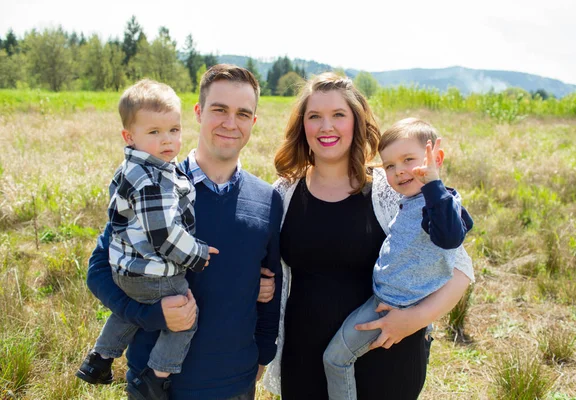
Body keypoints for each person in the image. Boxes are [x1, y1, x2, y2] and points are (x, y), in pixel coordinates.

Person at [261, 73, 475, 400]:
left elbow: (459, 268)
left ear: (356, 122)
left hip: (386, 359)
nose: (326, 126)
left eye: (338, 115)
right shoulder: (284, 192)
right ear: (302, 125)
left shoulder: (392, 188)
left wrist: (413, 320)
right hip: (304, 364)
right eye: (314, 116)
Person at [85, 64, 283, 400]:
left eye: (242, 113)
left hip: (234, 384)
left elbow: (271, 284)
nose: (230, 123)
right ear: (198, 112)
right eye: (219, 110)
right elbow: (99, 270)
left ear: (253, 122)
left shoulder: (267, 199)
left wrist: (261, 354)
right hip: (156, 387)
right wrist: (149, 314)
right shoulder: (153, 186)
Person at [76, 79, 219, 398]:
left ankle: (99, 359)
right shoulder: (154, 180)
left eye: (174, 130)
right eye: (154, 133)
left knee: (130, 308)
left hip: (127, 273)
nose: (167, 140)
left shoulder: (129, 169)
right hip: (155, 272)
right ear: (129, 137)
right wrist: (196, 255)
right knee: (184, 317)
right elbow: (164, 236)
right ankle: (156, 376)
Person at [322, 118, 474, 400]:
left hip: (394, 307)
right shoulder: (411, 200)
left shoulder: (438, 203)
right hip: (382, 297)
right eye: (390, 166)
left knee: (335, 359)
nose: (399, 171)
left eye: (408, 160)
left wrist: (433, 184)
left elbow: (450, 238)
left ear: (435, 158)